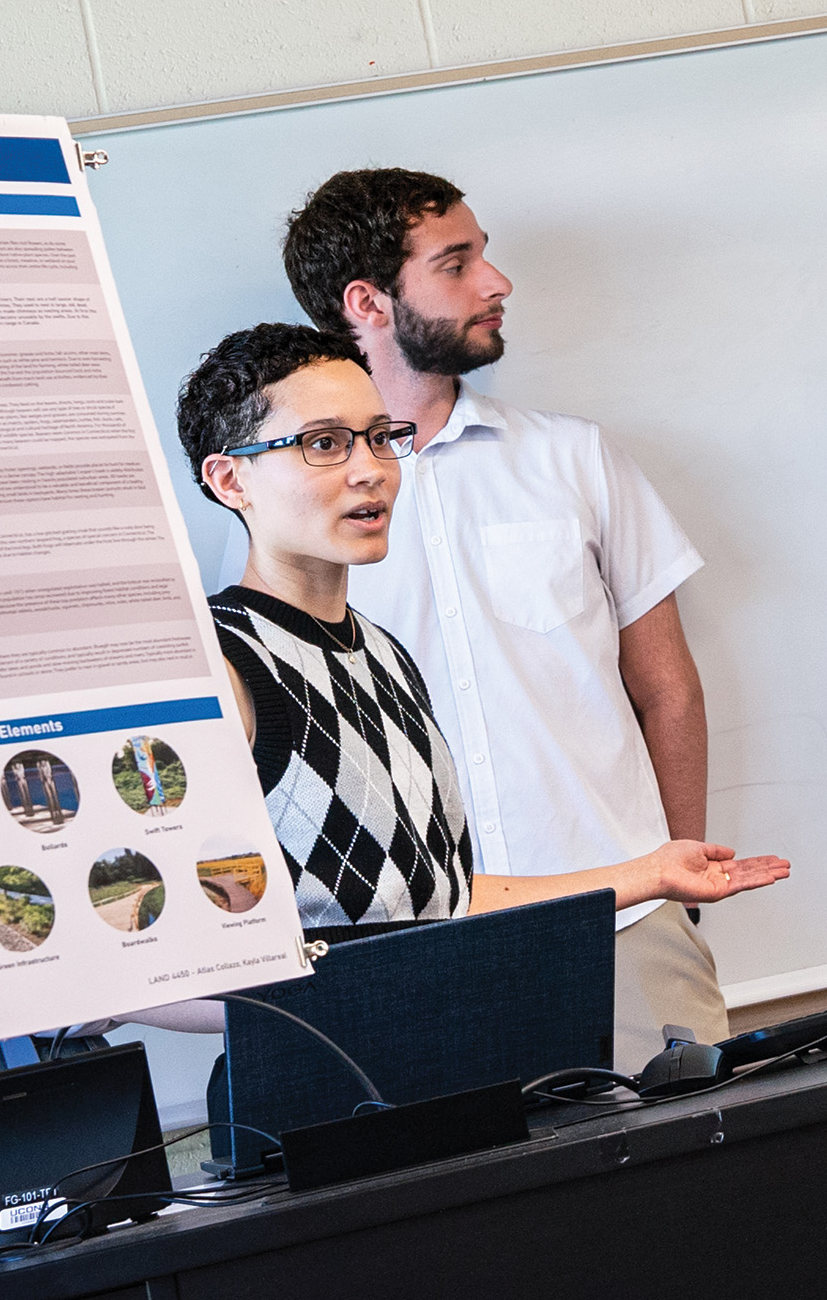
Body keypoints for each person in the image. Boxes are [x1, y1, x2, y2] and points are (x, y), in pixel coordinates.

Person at [281, 170, 730, 1063]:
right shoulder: (289, 510)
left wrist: (673, 887)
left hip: (626, 929)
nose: (497, 282)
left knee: (699, 1187)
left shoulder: (576, 460)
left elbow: (669, 690)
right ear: (367, 301)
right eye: (457, 263)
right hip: (414, 952)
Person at [179, 322, 785, 952]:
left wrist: (649, 872)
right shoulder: (219, 668)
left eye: (381, 437)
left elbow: (447, 897)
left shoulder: (385, 658)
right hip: (331, 1048)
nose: (375, 470)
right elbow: (175, 959)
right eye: (325, 443)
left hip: (452, 1024)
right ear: (230, 481)